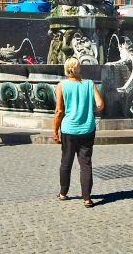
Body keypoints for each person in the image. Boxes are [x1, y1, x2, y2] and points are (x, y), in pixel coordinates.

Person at [53, 57, 104, 208]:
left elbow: (59, 111)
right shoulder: (89, 84)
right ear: (78, 68)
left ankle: (63, 193)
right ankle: (87, 199)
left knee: (66, 162)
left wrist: (55, 131)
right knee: (86, 163)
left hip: (69, 129)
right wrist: (90, 110)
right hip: (87, 129)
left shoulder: (62, 85)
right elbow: (100, 104)